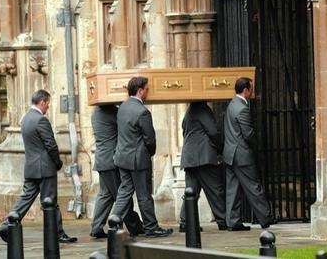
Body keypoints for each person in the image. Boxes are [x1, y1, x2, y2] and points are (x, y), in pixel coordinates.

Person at [0, 90, 77, 243]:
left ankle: (6, 225)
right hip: (45, 168)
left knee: (25, 198)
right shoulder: (41, 120)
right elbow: (51, 145)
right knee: (50, 202)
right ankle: (58, 233)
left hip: (31, 167)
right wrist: (58, 162)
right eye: (47, 104)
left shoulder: (25, 118)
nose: (48, 108)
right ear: (42, 102)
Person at [112, 77, 173, 237]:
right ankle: (152, 227)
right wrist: (150, 153)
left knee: (124, 191)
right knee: (144, 195)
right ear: (140, 90)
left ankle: (114, 218)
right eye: (147, 89)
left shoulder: (122, 107)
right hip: (138, 160)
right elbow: (150, 139)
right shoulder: (143, 112)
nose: (148, 92)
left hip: (122, 157)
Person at [223, 78, 273, 231]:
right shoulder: (242, 108)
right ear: (245, 90)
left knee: (233, 188)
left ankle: (232, 221)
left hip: (230, 154)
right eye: (251, 88)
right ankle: (265, 218)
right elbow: (248, 134)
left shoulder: (231, 104)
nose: (252, 91)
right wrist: (258, 146)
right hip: (242, 155)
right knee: (253, 187)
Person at [90, 104, 144, 238]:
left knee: (105, 195)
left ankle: (96, 227)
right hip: (111, 161)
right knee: (122, 196)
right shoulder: (112, 112)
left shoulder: (96, 112)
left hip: (102, 160)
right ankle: (134, 226)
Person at [179, 101, 227, 232]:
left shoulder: (189, 111)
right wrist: (220, 148)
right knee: (215, 190)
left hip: (189, 157)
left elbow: (184, 130)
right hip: (203, 156)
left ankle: (185, 221)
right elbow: (213, 132)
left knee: (191, 191)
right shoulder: (202, 109)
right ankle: (223, 220)